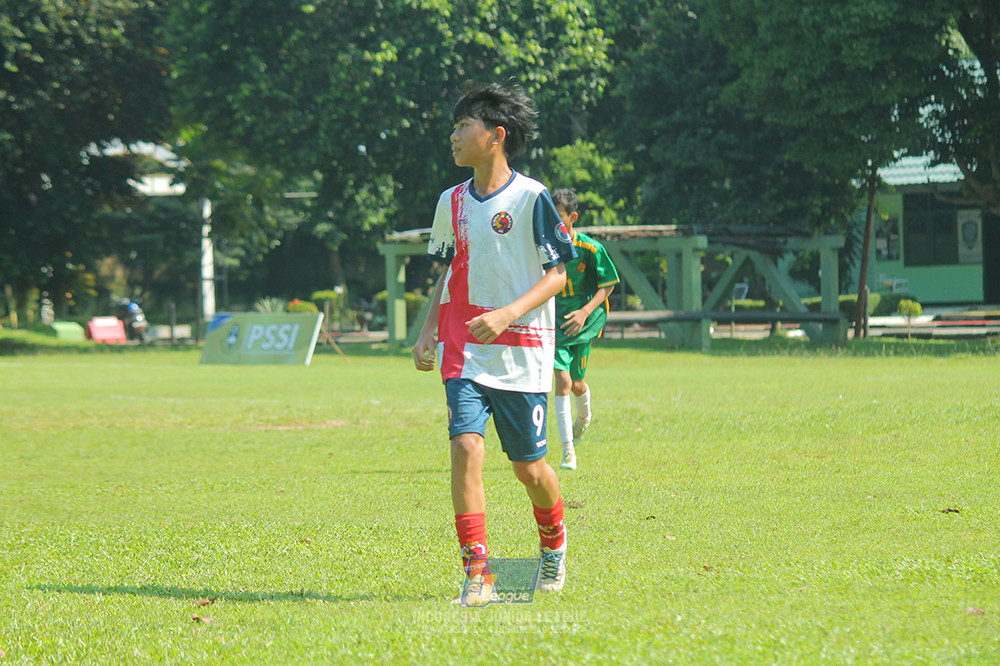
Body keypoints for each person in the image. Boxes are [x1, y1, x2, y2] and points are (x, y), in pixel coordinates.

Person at [412, 81, 577, 607]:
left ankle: (553, 541)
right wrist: (426, 331)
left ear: (496, 135)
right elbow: (446, 271)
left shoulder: (533, 198)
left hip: (522, 349)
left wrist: (507, 313)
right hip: (463, 346)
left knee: (529, 469)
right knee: (464, 446)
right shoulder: (450, 201)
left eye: (464, 126)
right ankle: (478, 572)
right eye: (454, 126)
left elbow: (557, 276)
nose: (454, 135)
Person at [550, 189, 620, 470]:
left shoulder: (590, 248)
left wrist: (584, 312)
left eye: (559, 217)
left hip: (583, 321)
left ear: (573, 217)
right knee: (563, 382)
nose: (552, 223)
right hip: (555, 323)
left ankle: (584, 418)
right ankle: (568, 451)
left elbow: (608, 285)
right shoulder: (545, 248)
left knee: (578, 383)